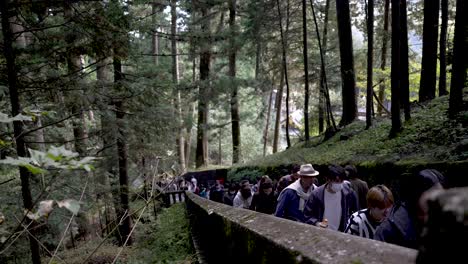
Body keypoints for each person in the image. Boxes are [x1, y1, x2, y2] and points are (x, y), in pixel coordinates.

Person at [374, 169, 445, 249]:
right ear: (418, 195)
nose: (439, 202)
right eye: (434, 196)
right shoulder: (389, 230)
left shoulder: (442, 222)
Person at [304, 164, 359, 232]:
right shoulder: (316, 194)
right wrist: (316, 223)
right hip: (321, 233)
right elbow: (307, 215)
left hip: (341, 233)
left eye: (341, 181)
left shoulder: (348, 194)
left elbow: (355, 214)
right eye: (336, 181)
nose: (339, 183)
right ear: (328, 179)